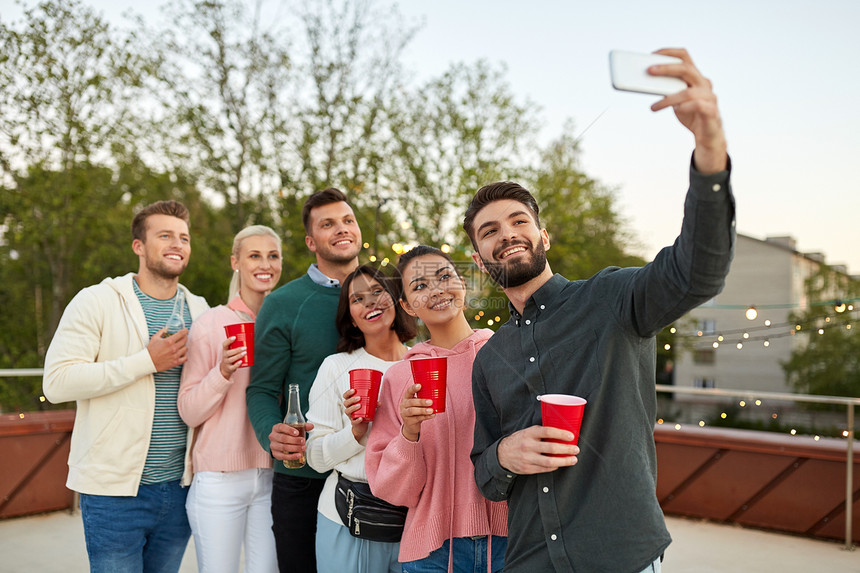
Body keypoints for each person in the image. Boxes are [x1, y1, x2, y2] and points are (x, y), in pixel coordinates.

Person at [463, 48, 734, 573]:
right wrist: (504, 455)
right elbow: (484, 473)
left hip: (620, 558)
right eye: (490, 231)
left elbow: (698, 271)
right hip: (530, 561)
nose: (507, 235)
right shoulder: (489, 358)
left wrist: (710, 148)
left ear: (543, 235)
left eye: (519, 221)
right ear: (478, 258)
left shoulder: (611, 299)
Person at [42, 200, 210, 572]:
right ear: (139, 246)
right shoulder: (97, 301)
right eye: (165, 235)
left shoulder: (201, 310)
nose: (177, 244)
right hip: (113, 494)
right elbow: (56, 382)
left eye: (183, 237)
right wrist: (146, 362)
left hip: (181, 488)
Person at [365, 246, 509, 572]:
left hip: (510, 542)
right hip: (432, 552)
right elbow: (391, 489)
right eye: (419, 286)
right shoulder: (401, 376)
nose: (437, 290)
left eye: (445, 276)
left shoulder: (505, 354)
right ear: (407, 306)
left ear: (462, 282)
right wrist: (409, 433)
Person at [246, 188, 362, 572]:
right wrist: (272, 433)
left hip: (372, 474)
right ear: (312, 241)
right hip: (304, 477)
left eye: (347, 220)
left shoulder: (388, 295)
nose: (341, 229)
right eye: (328, 224)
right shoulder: (283, 303)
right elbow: (262, 389)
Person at [177, 225, 283, 573]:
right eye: (254, 255)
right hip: (219, 481)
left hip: (271, 477)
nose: (264, 264)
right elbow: (189, 410)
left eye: (273, 255)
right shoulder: (211, 323)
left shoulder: (281, 324)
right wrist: (221, 373)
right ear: (235, 262)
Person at [305, 264, 417, 573]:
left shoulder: (423, 362)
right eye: (357, 299)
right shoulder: (336, 368)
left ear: (396, 298)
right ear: (351, 318)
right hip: (346, 516)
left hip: (413, 520)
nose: (370, 302)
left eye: (378, 291)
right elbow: (314, 457)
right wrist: (355, 432)